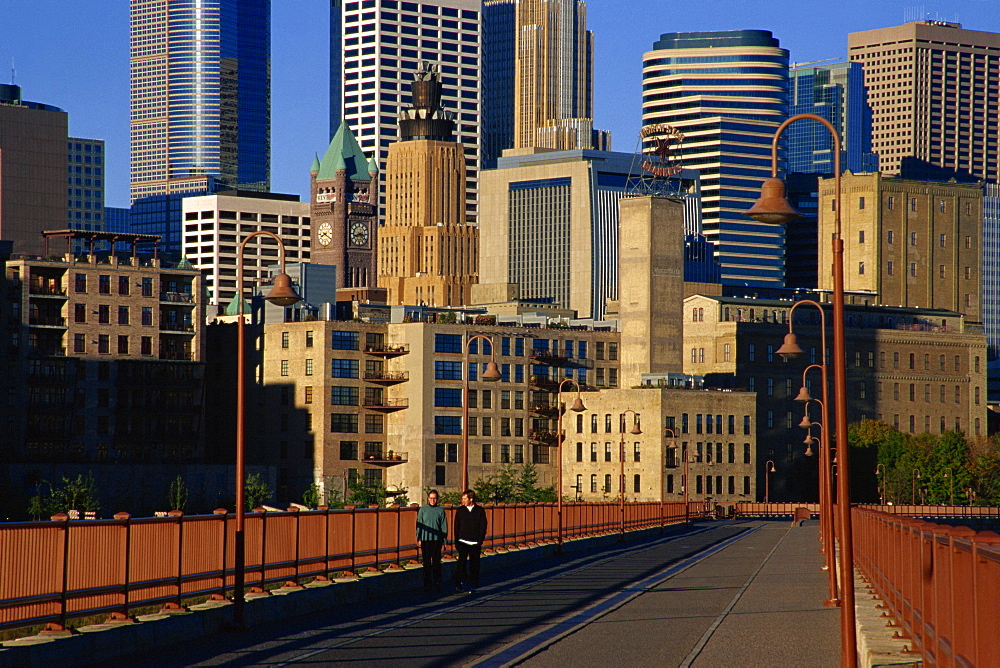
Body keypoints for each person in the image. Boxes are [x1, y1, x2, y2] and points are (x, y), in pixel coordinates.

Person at [453, 489, 487, 593]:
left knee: (474, 565)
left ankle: (473, 585)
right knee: (461, 564)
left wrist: (480, 540)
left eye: (464, 498)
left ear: (471, 499)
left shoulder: (480, 511)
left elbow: (483, 526)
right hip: (462, 541)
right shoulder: (460, 511)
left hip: (475, 543)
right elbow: (456, 526)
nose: (462, 500)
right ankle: (460, 583)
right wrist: (457, 540)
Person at [416, 489, 447, 592]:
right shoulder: (423, 510)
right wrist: (418, 538)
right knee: (426, 563)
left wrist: (444, 541)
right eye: (431, 498)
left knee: (436, 562)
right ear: (428, 499)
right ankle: (427, 583)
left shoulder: (440, 511)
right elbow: (419, 524)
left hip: (437, 540)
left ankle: (437, 582)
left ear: (437, 499)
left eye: (435, 498)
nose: (433, 500)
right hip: (425, 539)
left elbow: (443, 527)